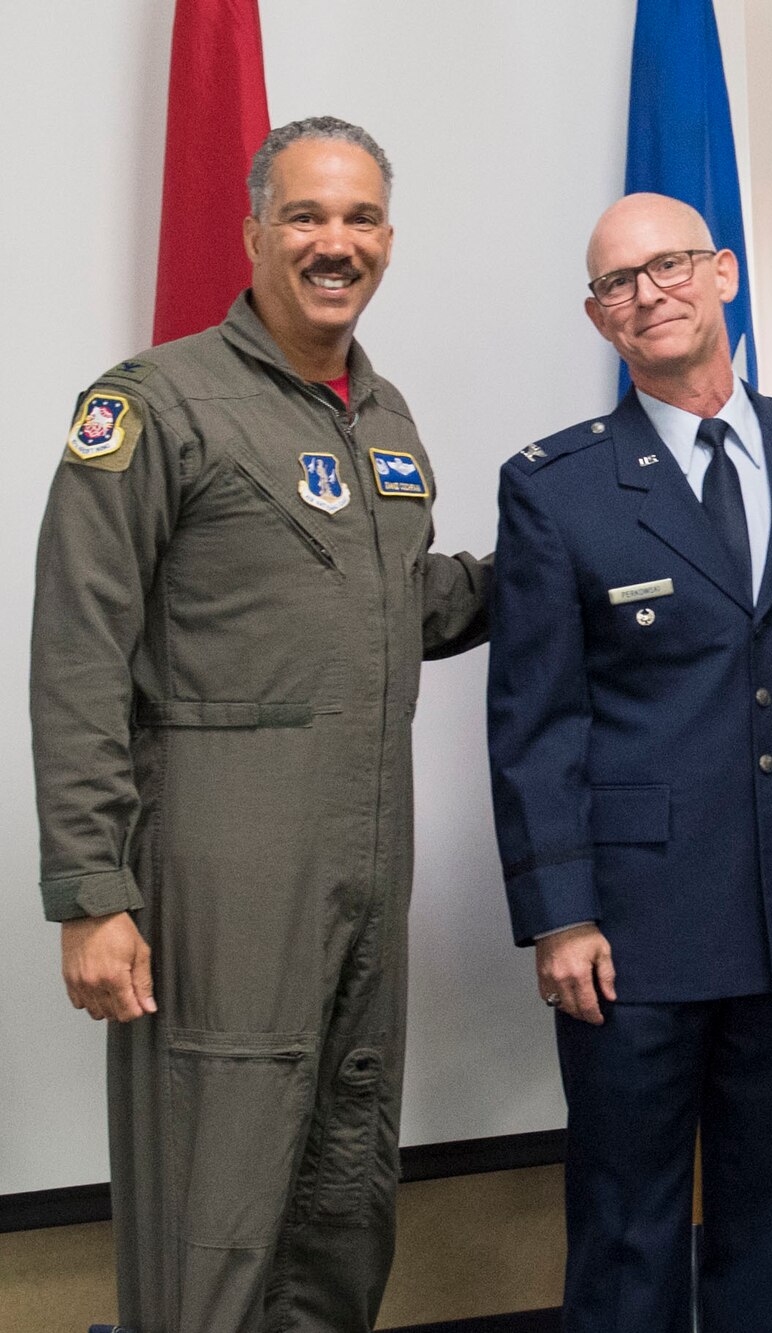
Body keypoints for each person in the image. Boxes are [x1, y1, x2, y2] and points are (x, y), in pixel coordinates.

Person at [32, 117, 489, 1332]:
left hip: (365, 869)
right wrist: (90, 889)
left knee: (345, 1181)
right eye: (305, 216)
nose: (333, 243)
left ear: (387, 238)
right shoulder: (154, 406)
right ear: (253, 234)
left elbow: (406, 603)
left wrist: (552, 568)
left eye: (358, 219)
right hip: (222, 873)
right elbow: (78, 653)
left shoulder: (385, 418)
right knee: (215, 1197)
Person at [485, 193, 772, 1333]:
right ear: (597, 317)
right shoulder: (557, 487)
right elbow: (533, 718)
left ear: (721, 274)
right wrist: (559, 915)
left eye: (665, 267)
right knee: (626, 1226)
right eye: (617, 283)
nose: (646, 294)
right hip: (635, 929)